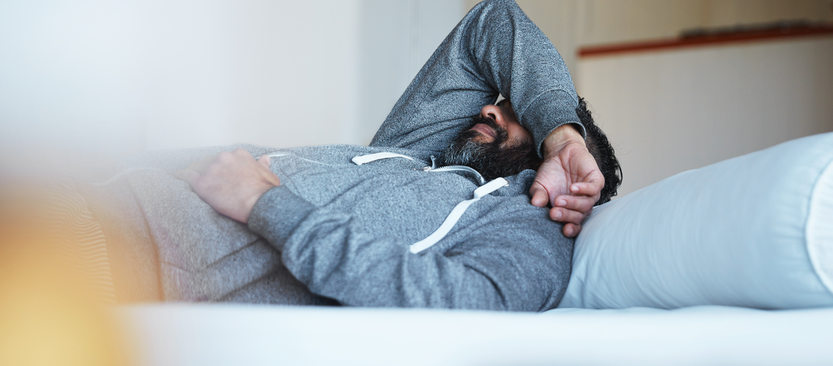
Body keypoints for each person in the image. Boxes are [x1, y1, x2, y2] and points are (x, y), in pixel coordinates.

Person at [77, 0, 621, 311]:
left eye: (513, 115)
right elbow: (493, 21)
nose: (490, 111)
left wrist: (266, 202)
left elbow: (456, 301)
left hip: (120, 255)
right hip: (98, 194)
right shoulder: (413, 157)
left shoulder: (527, 231)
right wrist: (561, 133)